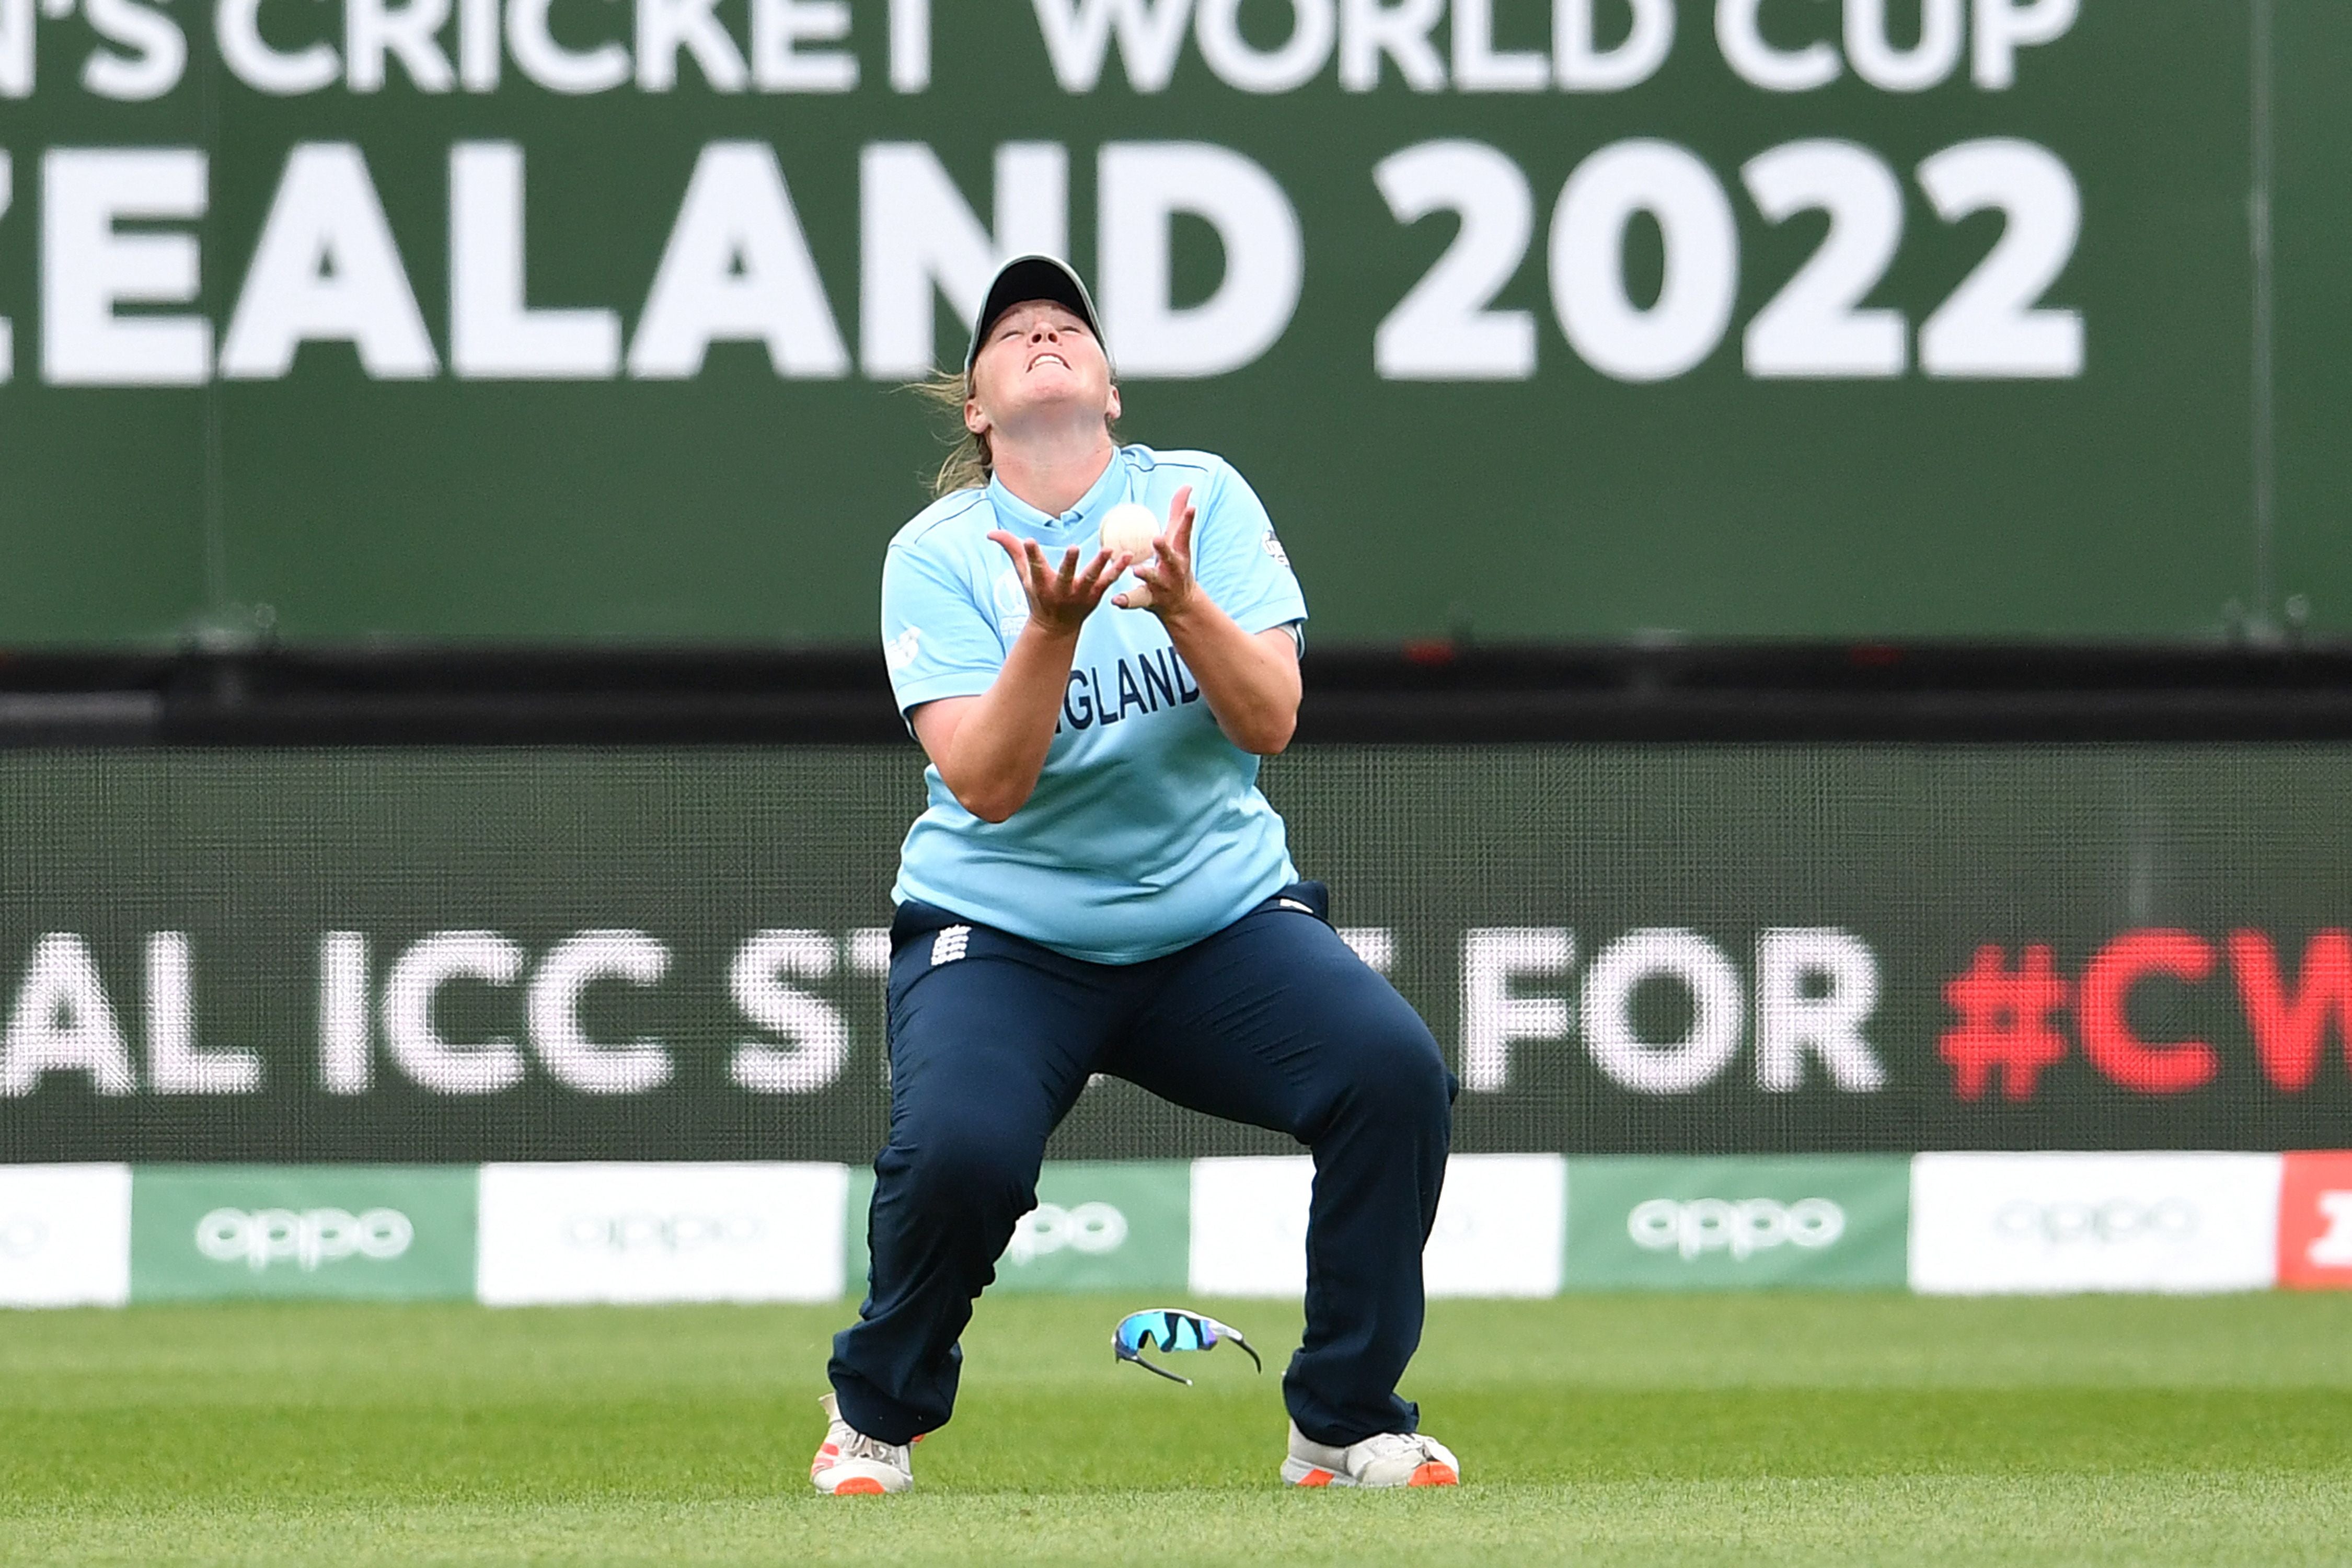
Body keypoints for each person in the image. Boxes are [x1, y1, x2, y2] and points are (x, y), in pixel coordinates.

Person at [811, 256, 1459, 1495]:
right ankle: (875, 1419)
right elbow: (989, 785)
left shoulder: (1199, 498)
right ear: (978, 408)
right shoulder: (937, 556)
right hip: (1005, 936)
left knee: (1393, 1078)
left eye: (1069, 329)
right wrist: (1050, 630)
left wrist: (1180, 602)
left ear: (1109, 388)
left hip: (1216, 927)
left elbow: (1270, 719)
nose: (1045, 338)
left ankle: (1343, 1423)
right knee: (960, 1155)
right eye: (1014, 335)